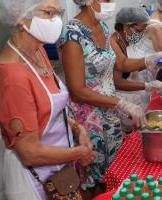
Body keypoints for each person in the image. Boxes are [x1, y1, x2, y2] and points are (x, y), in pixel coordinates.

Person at [0, 0, 94, 199]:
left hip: (59, 171)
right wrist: (80, 153)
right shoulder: (11, 75)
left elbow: (48, 112)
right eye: (48, 13)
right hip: (33, 180)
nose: (56, 21)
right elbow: (29, 152)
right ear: (19, 17)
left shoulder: (38, 51)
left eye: (58, 13)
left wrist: (76, 128)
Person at [60, 0, 146, 198]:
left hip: (110, 118)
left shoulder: (103, 27)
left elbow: (120, 66)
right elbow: (77, 91)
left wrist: (150, 60)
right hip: (88, 122)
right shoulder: (72, 34)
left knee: (111, 177)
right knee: (92, 182)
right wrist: (121, 103)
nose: (111, 4)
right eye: (106, 0)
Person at [111, 7, 162, 110]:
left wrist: (154, 63)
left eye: (144, 31)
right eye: (139, 31)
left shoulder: (128, 40)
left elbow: (133, 66)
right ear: (126, 27)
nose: (141, 34)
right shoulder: (113, 43)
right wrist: (147, 85)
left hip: (134, 97)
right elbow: (118, 81)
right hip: (120, 100)